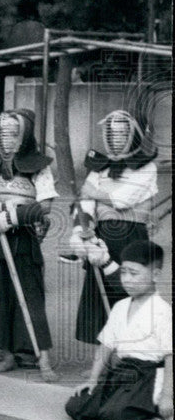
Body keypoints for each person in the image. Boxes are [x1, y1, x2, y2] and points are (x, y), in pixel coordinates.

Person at [0, 109, 59, 382]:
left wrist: (11, 216)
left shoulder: (38, 166)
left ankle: (41, 355)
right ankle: (5, 352)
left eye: (12, 133)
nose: (6, 139)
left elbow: (45, 206)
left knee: (30, 297)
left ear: (24, 135)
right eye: (2, 133)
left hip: (23, 240)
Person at [68, 110, 158, 345]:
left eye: (122, 134)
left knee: (128, 293)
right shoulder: (100, 166)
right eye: (112, 133)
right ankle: (102, 361)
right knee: (99, 297)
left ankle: (128, 356)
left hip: (132, 237)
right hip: (102, 237)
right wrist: (82, 230)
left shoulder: (147, 168)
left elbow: (123, 199)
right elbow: (85, 202)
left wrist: (96, 194)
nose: (116, 139)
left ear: (133, 136)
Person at [66, 241, 173, 420]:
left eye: (134, 273)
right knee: (77, 407)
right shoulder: (120, 307)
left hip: (149, 375)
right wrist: (92, 379)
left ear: (155, 275)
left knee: (117, 416)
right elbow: (106, 346)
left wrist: (167, 396)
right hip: (122, 373)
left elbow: (170, 356)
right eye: (124, 272)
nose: (127, 280)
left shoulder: (163, 311)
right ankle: (124, 408)